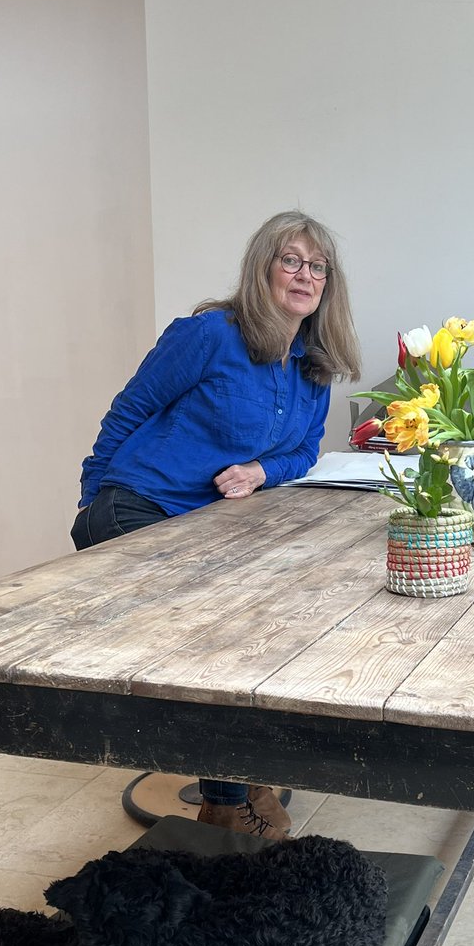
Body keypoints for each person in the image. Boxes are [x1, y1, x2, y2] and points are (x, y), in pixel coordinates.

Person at [71, 210, 361, 840]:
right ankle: (230, 802)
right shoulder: (209, 334)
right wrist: (91, 501)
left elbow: (306, 450)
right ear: (262, 268)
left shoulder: (315, 364)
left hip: (207, 526)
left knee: (278, 612)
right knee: (219, 634)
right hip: (138, 507)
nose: (304, 275)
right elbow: (128, 411)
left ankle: (245, 780)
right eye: (290, 260)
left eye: (317, 266)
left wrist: (261, 468)